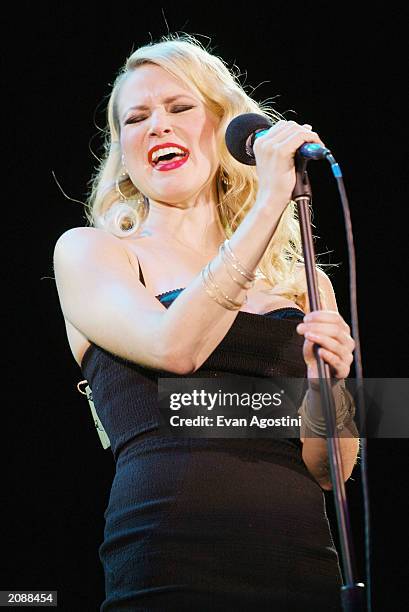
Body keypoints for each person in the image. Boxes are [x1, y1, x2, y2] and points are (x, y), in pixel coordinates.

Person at [53, 34, 359, 611]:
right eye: (136, 119)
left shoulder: (305, 284)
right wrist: (271, 200)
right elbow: (175, 349)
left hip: (302, 565)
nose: (157, 127)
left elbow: (331, 470)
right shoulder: (91, 253)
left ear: (227, 129)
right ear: (122, 149)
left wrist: (332, 386)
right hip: (171, 560)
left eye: (179, 108)